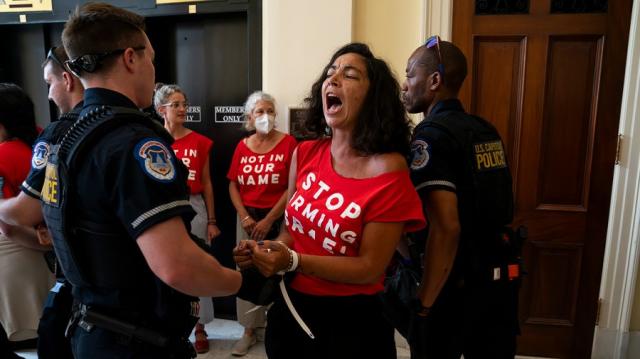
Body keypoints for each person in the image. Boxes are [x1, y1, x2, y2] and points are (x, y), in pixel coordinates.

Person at [0, 3, 241, 358]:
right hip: (134, 339)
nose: (153, 70)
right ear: (131, 58)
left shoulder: (61, 136)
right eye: (151, 59)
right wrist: (239, 280)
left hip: (87, 325)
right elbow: (175, 266)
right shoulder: (135, 143)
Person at [233, 43, 426, 358]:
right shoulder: (306, 152)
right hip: (292, 308)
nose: (333, 79)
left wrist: (293, 261)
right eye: (330, 72)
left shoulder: (388, 168)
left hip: (352, 323)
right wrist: (268, 251)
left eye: (349, 75)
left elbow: (369, 267)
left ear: (373, 97)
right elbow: (291, 231)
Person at [401, 36, 519, 358]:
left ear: (435, 80)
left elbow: (446, 228)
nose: (405, 83)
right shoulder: (484, 128)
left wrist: (424, 303)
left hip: (453, 282)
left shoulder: (430, 136)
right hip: (498, 280)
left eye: (410, 74)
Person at [227, 91, 297, 356]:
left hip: (277, 217)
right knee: (247, 269)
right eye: (259, 111)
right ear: (249, 117)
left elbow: (293, 186)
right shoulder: (242, 146)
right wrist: (245, 216)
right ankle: (248, 330)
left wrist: (269, 220)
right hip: (247, 218)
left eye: (269, 111)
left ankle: (278, 325)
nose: (265, 116)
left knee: (278, 269)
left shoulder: (289, 143)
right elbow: (233, 184)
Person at [154, 83, 221, 354]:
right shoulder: (151, 140)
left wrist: (213, 220)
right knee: (164, 267)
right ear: (162, 110)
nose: (183, 109)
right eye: (176, 105)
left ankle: (199, 326)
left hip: (193, 207)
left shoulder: (200, 142)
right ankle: (167, 323)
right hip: (161, 209)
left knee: (196, 267)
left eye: (184, 104)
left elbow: (207, 183)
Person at [0, 83, 55, 359]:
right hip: (53, 251)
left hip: (15, 253)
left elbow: (7, 224)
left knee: (25, 336)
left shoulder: (2, 154)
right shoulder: (44, 141)